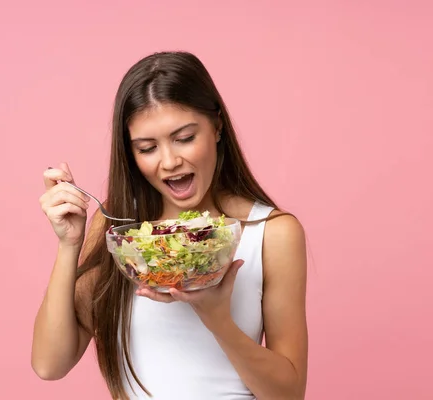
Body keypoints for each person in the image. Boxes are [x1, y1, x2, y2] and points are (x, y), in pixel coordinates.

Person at [31, 51, 308, 400]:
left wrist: (215, 316)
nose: (170, 161)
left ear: (217, 127)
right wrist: (69, 244)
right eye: (147, 147)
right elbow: (49, 364)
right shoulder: (120, 231)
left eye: (185, 138)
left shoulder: (271, 232)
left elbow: (290, 394)